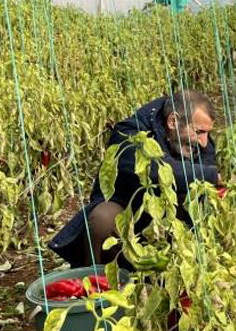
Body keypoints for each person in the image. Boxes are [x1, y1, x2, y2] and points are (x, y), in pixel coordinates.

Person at [50, 90, 219, 269]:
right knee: (102, 220)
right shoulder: (129, 133)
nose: (204, 142)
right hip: (128, 206)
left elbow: (205, 171)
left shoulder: (195, 135)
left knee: (199, 206)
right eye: (199, 132)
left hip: (164, 210)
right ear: (173, 121)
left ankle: (171, 272)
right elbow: (155, 170)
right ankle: (102, 282)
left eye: (207, 133)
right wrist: (212, 175)